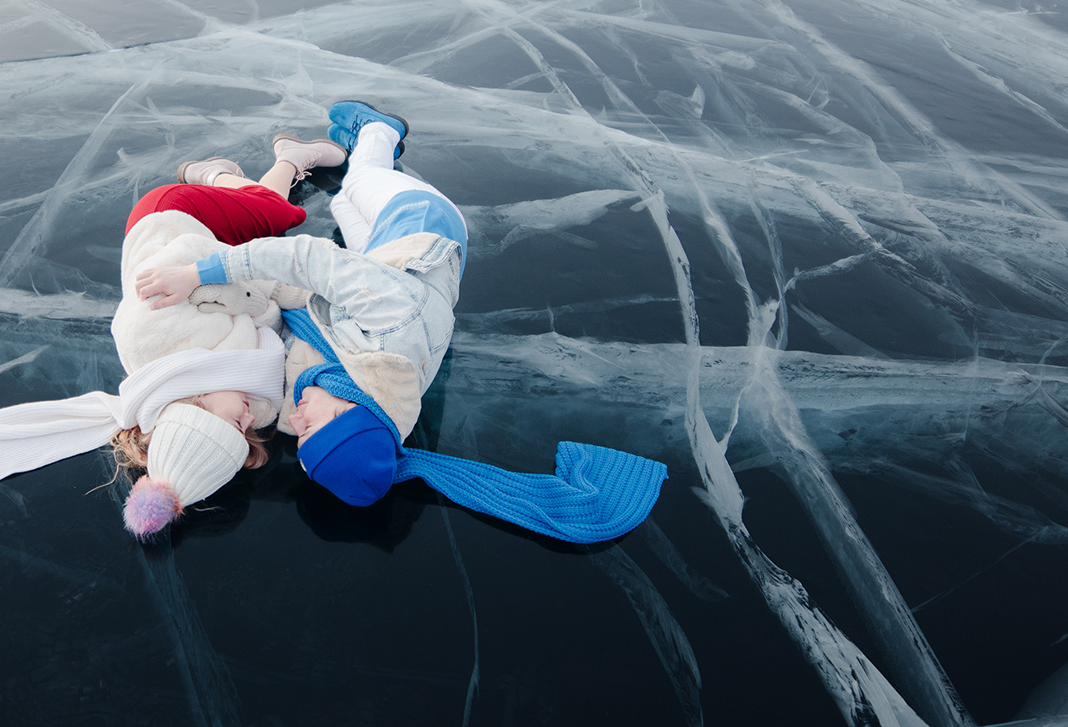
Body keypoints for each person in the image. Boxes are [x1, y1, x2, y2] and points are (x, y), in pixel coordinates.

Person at [135, 101, 668, 545]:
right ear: (352, 414)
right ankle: (379, 127)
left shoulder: (375, 398)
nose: (297, 419)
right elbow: (308, 262)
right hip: (420, 230)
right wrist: (202, 273)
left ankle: (315, 163)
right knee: (364, 177)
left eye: (299, 435)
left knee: (342, 204)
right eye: (313, 427)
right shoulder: (391, 332)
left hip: (380, 270)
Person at [0, 142, 338, 539]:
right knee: (262, 223)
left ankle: (277, 159)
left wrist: (259, 300)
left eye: (235, 421)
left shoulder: (150, 339)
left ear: (197, 404)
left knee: (280, 217)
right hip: (210, 247)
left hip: (174, 222)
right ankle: (221, 177)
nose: (251, 418)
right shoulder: (247, 397)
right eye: (245, 430)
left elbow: (188, 257)